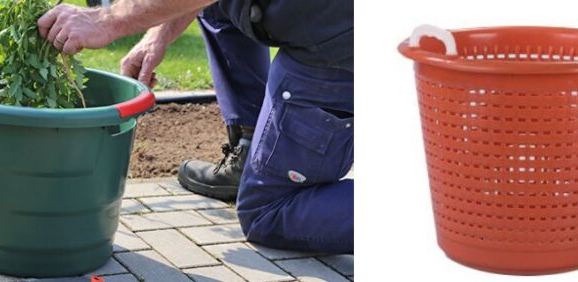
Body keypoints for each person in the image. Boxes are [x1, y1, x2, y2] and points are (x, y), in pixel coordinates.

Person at [38, 0, 353, 254]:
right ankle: (248, 152)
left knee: (267, 212)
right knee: (217, 8)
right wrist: (157, 36)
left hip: (337, 39)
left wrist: (106, 20)